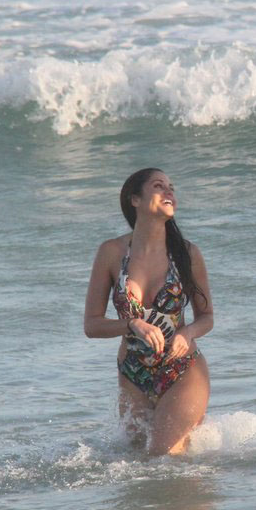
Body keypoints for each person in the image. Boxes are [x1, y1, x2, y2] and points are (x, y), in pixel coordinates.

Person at [84, 168, 214, 456]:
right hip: (133, 374)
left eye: (172, 187)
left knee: (162, 455)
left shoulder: (187, 254)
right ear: (135, 200)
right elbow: (92, 325)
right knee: (138, 465)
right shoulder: (112, 252)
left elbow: (207, 318)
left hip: (182, 368)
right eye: (159, 186)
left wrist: (188, 333)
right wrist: (131, 325)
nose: (169, 192)